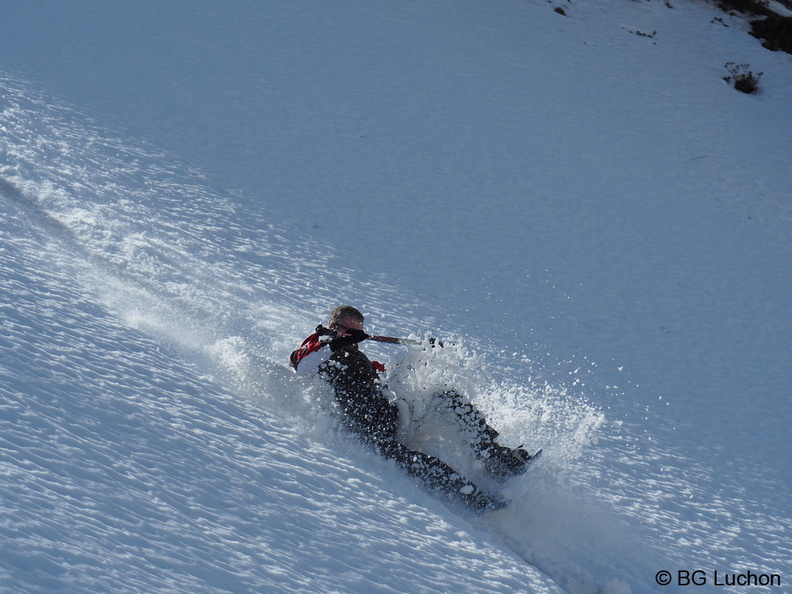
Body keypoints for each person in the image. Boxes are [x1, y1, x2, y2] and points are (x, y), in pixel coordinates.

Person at [290, 305, 536, 513]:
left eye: (356, 332)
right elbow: (301, 366)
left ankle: (496, 459)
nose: (350, 336)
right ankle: (474, 499)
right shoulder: (319, 348)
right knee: (418, 461)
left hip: (388, 415)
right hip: (368, 432)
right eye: (345, 330)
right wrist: (334, 342)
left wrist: (420, 356)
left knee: (444, 396)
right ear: (334, 326)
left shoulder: (355, 356)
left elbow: (387, 375)